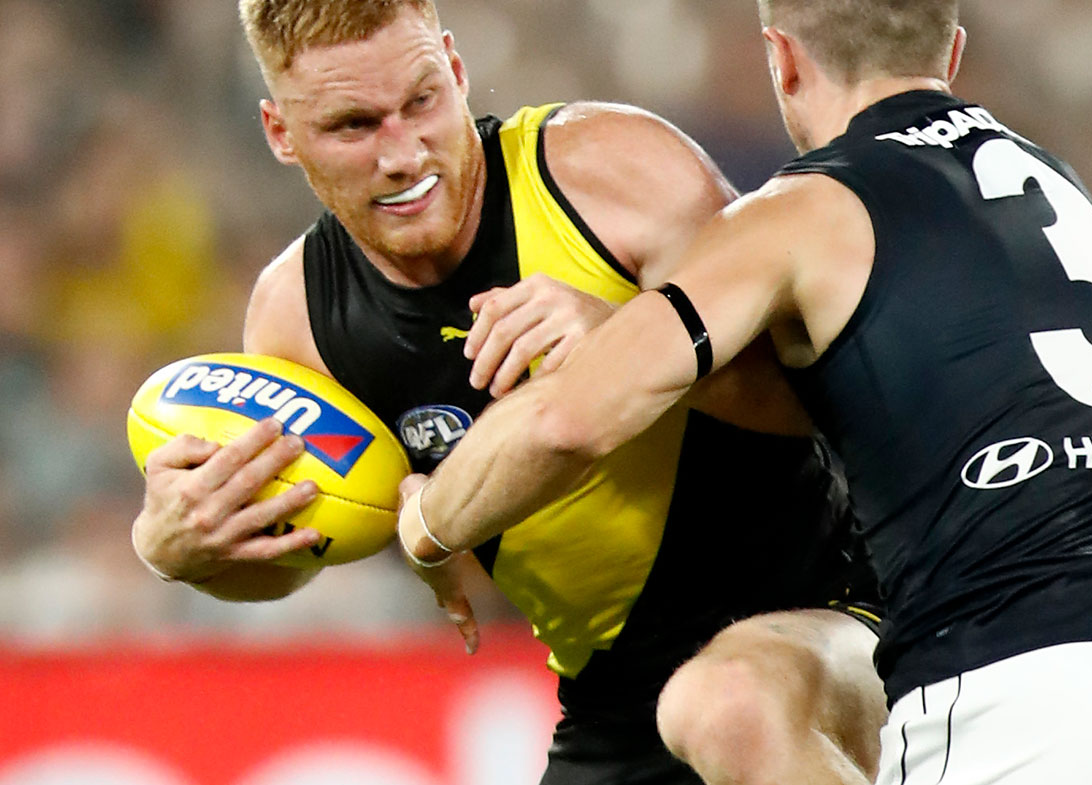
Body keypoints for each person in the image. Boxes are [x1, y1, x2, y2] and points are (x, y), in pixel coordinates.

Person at [396, 1, 1092, 783]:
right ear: (949, 55)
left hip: (1022, 690)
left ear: (781, 58)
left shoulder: (804, 209)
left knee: (708, 703)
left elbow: (567, 419)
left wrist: (430, 523)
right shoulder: (1054, 184)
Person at [130, 1, 889, 783]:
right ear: (281, 133)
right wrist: (177, 551)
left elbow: (835, 398)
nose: (404, 154)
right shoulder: (299, 318)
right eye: (354, 126)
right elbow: (302, 548)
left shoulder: (613, 174)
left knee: (737, 704)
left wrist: (640, 343)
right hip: (613, 701)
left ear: (457, 71)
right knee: (720, 701)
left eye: (422, 102)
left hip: (836, 614)